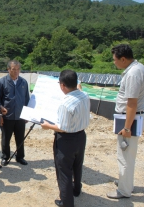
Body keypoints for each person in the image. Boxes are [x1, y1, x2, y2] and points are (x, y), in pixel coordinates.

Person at [41, 70, 90, 207]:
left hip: (66, 140)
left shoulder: (65, 103)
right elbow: (80, 90)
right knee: (77, 165)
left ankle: (66, 202)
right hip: (81, 136)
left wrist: (47, 126)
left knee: (64, 171)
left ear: (62, 85)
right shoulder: (85, 95)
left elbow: (62, 127)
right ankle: (76, 190)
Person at [106, 44, 144, 199]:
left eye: (115, 60)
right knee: (128, 155)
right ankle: (126, 183)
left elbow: (131, 102)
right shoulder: (138, 67)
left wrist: (127, 128)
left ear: (123, 59)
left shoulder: (132, 74)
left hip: (130, 119)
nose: (114, 62)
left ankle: (124, 190)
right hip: (132, 117)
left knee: (124, 156)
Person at [0, 60, 30, 166]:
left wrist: (27, 115)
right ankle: (5, 157)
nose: (16, 71)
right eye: (13, 69)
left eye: (18, 69)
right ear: (8, 69)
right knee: (6, 138)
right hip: (7, 116)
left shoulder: (23, 82)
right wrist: (0, 114)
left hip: (20, 116)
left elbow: (26, 99)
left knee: (20, 138)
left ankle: (20, 157)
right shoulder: (1, 82)